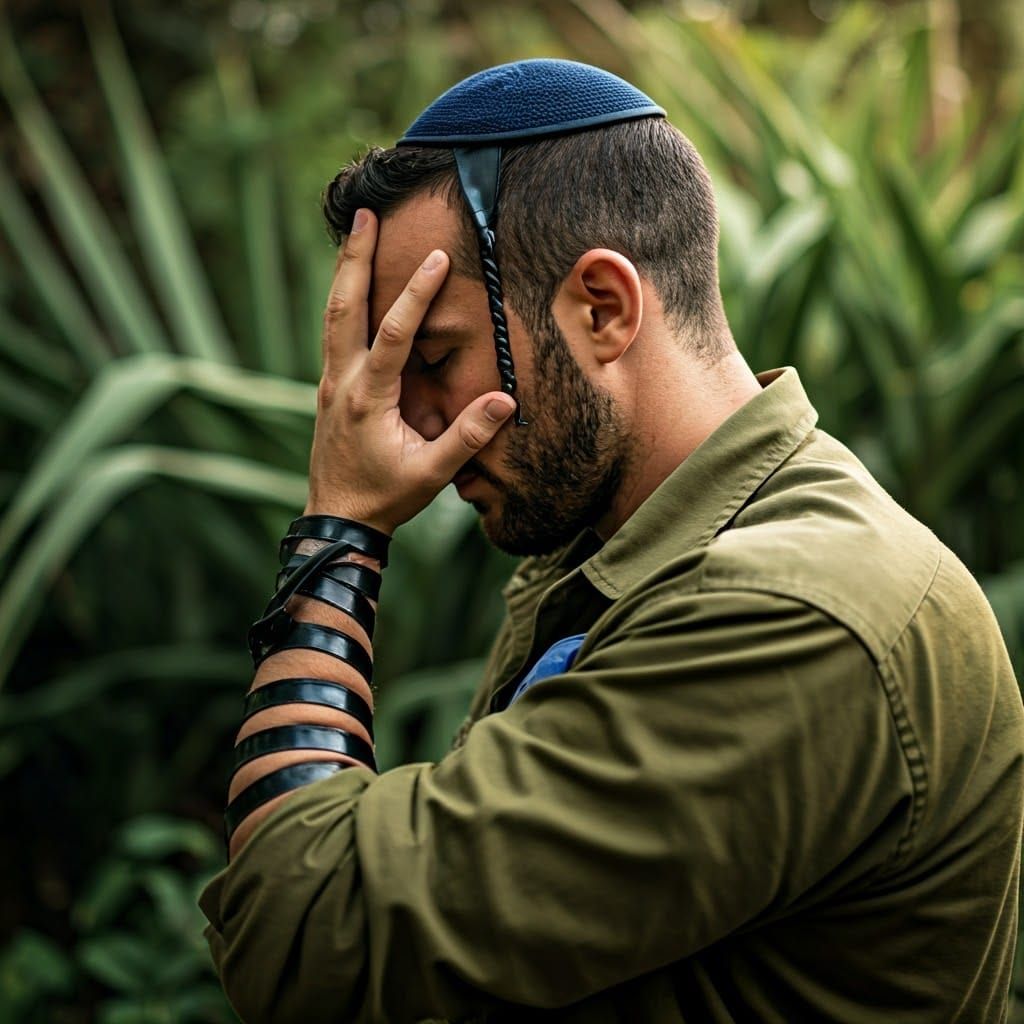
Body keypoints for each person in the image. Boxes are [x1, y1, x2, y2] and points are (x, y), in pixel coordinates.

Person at [199, 60, 1024, 1023]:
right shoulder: (627, 543)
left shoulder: (787, 612)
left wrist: (340, 529)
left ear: (603, 307)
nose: (408, 424)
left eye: (433, 358)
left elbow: (305, 931)